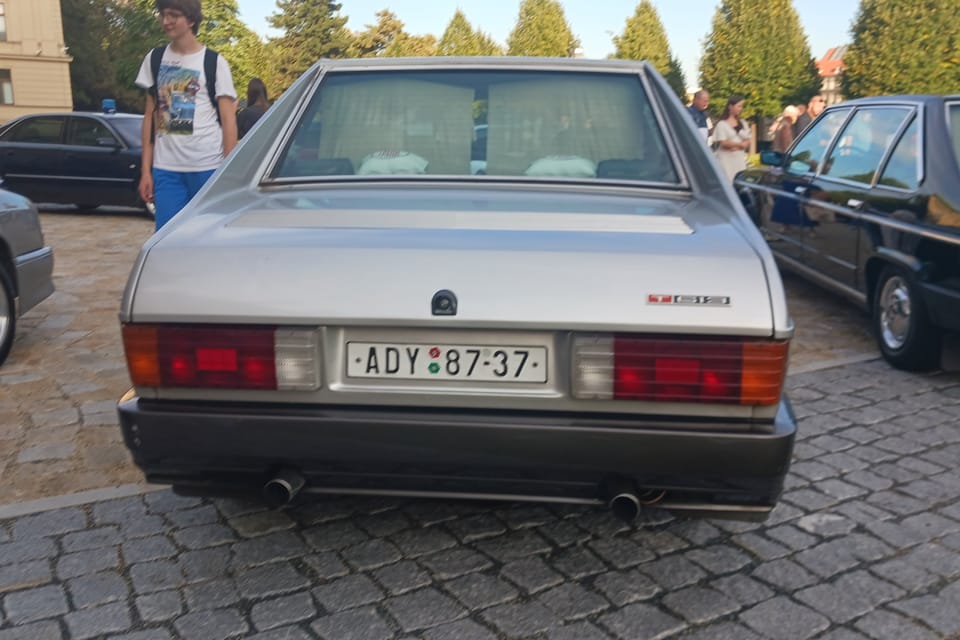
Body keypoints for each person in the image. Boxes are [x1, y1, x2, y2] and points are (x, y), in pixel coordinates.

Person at [135, 0, 237, 231]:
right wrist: (145, 171)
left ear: (191, 20)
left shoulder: (214, 62)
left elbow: (229, 120)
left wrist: (227, 172)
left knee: (207, 239)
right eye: (162, 14)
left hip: (208, 168)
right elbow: (150, 116)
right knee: (167, 240)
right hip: (167, 170)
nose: (166, 20)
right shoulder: (155, 59)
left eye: (173, 15)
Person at [712, 94, 751, 182]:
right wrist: (739, 144)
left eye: (741, 106)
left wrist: (741, 145)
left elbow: (748, 139)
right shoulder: (722, 124)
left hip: (739, 160)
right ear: (730, 107)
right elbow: (723, 142)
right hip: (726, 161)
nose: (740, 109)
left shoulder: (743, 123)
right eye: (738, 106)